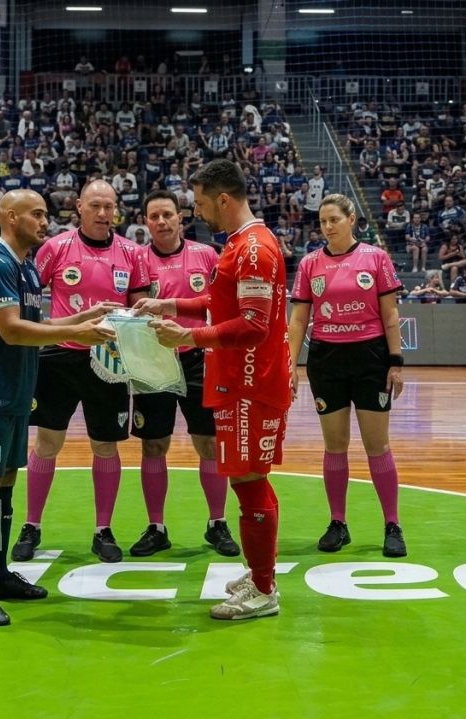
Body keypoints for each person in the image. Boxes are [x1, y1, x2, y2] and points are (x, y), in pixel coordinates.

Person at [0, 189, 118, 627]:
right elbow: (11, 330)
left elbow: (36, 324)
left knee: (5, 479)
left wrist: (83, 318)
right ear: (10, 217)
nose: (46, 222)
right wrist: (77, 335)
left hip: (13, 391)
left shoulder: (25, 266)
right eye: (37, 215)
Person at [136, 159, 291, 620]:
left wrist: (188, 336)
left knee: (250, 482)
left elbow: (253, 324)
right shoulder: (242, 244)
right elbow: (221, 302)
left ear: (223, 199)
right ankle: (261, 573)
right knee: (250, 480)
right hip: (240, 380)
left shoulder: (254, 249)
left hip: (249, 383)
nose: (197, 212)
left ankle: (263, 590)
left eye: (200, 203)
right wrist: (171, 304)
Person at [11, 180, 150, 565]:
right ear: (79, 207)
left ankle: (103, 529)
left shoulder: (132, 253)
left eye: (109, 206)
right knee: (47, 443)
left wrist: (136, 321)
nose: (103, 213)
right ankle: (31, 525)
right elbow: (28, 300)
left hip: (109, 360)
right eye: (95, 206)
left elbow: (140, 306)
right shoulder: (55, 248)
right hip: (59, 357)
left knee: (105, 445)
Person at [286, 193, 407, 558]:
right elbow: (298, 320)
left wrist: (395, 362)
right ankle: (338, 523)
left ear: (351, 219)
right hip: (327, 360)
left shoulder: (376, 257)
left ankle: (392, 525)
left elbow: (390, 315)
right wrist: (290, 365)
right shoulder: (310, 263)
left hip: (371, 358)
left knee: (377, 445)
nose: (327, 227)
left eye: (334, 220)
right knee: (334, 445)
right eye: (323, 222)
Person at [126, 189, 239, 558]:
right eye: (154, 216)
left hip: (198, 359)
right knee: (153, 445)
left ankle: (217, 522)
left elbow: (222, 304)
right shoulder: (136, 259)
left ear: (180, 218)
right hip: (152, 362)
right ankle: (156, 527)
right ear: (145, 222)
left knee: (209, 443)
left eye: (167, 215)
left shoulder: (206, 255)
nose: (161, 222)